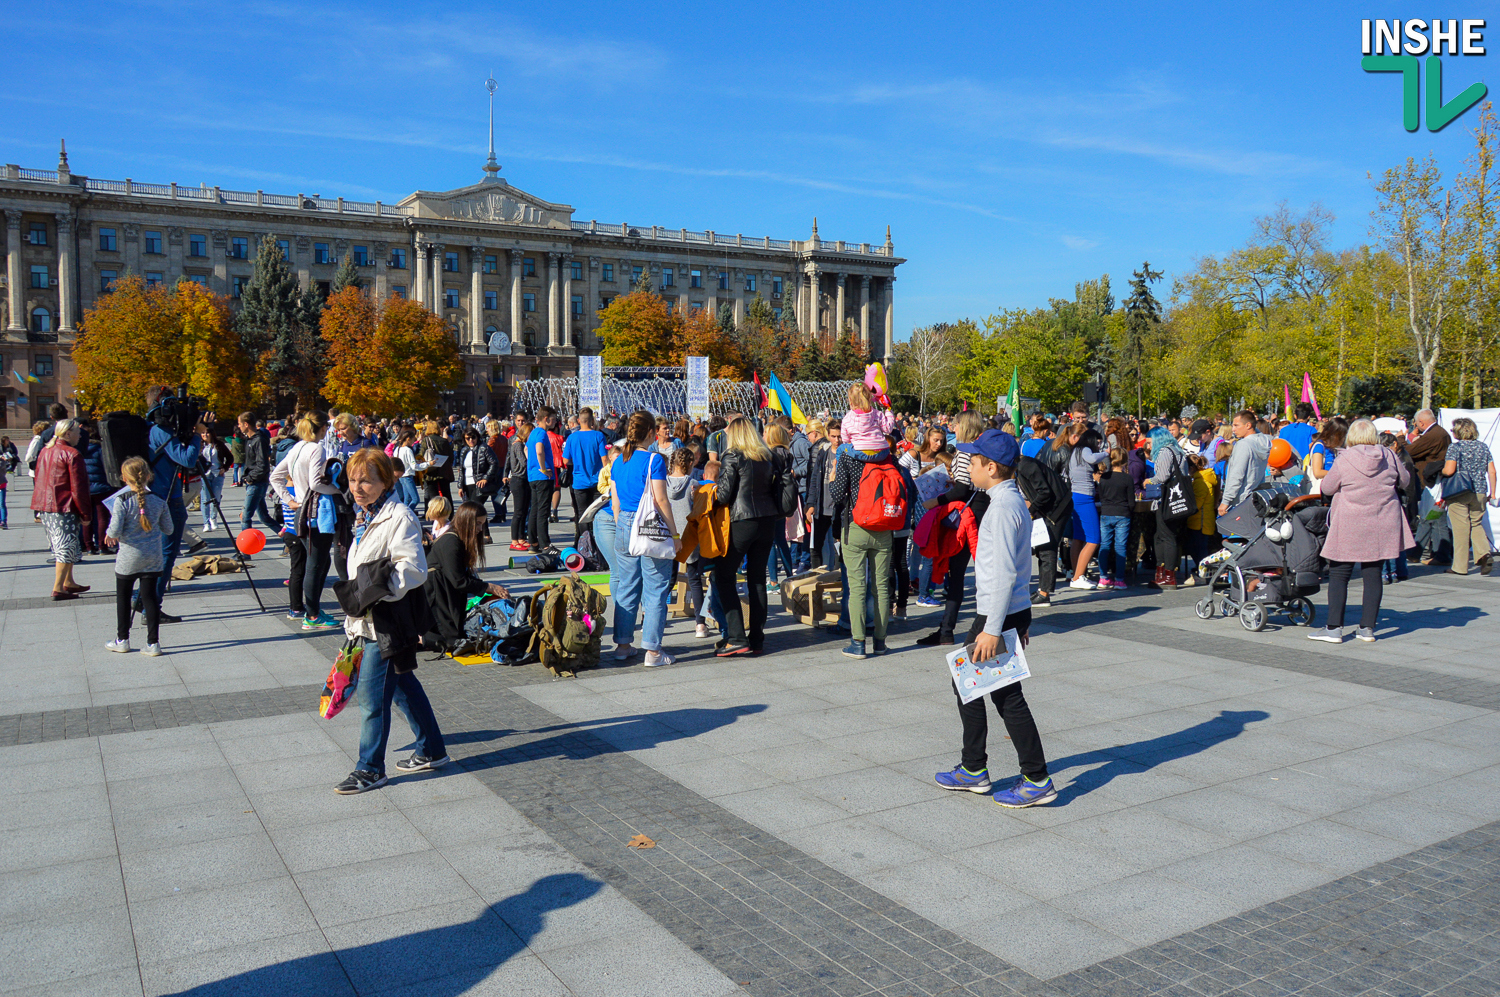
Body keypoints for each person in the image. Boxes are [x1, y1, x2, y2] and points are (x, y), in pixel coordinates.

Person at [932, 430, 1055, 807]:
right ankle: (974, 768)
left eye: (972, 460)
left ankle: (1033, 778)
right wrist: (1022, 619)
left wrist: (991, 628)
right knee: (969, 683)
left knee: (1005, 696)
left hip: (995, 614)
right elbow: (1020, 568)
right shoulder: (1009, 500)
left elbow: (1003, 574)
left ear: (991, 467)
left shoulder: (1002, 508)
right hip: (1008, 611)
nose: (967, 465)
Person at [336, 448, 449, 794]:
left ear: (385, 481)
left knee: (372, 699)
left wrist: (379, 593)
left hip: (385, 620)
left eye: (367, 481)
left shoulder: (398, 516)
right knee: (402, 687)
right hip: (369, 619)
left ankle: (370, 768)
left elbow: (413, 569)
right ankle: (432, 749)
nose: (358, 487)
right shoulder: (366, 515)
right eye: (354, 480)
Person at [1309, 420, 1413, 644]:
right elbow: (1405, 481)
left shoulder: (1344, 457)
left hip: (1349, 520)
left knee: (1339, 574)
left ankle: (1334, 629)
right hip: (1382, 519)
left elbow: (1327, 487)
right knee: (1373, 573)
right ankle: (1367, 628)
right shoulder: (1389, 455)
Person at [828, 426, 915, 658]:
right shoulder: (888, 456)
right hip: (884, 527)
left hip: (855, 526)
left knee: (857, 587)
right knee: (881, 587)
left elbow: (837, 495)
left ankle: (857, 644)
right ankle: (880, 642)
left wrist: (832, 477)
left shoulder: (847, 455)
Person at [713, 418, 791, 656]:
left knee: (723, 577)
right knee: (757, 579)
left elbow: (724, 494)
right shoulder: (766, 456)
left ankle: (736, 636)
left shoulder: (733, 455)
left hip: (742, 520)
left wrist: (709, 493)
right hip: (767, 521)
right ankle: (756, 638)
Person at [609, 411, 677, 667]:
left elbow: (614, 500)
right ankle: (653, 651)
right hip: (648, 526)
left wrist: (620, 523)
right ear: (650, 432)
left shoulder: (619, 460)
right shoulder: (653, 460)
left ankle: (623, 645)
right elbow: (660, 500)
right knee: (656, 588)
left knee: (627, 586)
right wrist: (674, 533)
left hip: (624, 523)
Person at [919, 411, 990, 645]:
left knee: (956, 574)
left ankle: (947, 630)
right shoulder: (983, 451)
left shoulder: (962, 453)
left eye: (955, 424)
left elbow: (961, 490)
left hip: (968, 518)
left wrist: (936, 501)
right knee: (986, 573)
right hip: (986, 512)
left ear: (963, 426)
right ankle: (982, 626)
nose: (953, 428)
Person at [269, 412, 341, 631]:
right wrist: (339, 490)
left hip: (302, 510)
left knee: (319, 562)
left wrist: (289, 499)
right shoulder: (315, 448)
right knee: (315, 564)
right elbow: (316, 483)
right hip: (314, 512)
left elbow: (275, 477)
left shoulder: (297, 447)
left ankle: (313, 610)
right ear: (321, 429)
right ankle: (311, 615)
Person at [104, 456, 172, 656]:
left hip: (128, 558)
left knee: (124, 598)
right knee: (150, 598)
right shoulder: (159, 500)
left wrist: (109, 534)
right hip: (153, 557)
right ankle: (153, 643)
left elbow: (115, 530)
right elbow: (169, 529)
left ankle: (122, 639)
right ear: (149, 476)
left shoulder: (121, 501)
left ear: (124, 479)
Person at [424, 501, 511, 650]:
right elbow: (458, 580)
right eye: (477, 524)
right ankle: (417, 638)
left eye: (482, 524)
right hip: (436, 593)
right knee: (454, 643)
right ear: (466, 521)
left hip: (444, 590)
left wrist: (487, 589)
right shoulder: (451, 541)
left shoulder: (456, 539)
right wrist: (488, 587)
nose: (479, 529)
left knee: (460, 637)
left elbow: (460, 578)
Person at [32, 419, 92, 601]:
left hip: (47, 505)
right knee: (65, 546)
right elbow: (78, 488)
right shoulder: (72, 454)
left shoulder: (46, 450)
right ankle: (58, 588)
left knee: (67, 545)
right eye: (77, 432)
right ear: (67, 434)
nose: (80, 435)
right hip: (63, 506)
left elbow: (38, 478)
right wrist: (85, 513)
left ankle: (68, 581)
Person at [1439, 417, 1496, 576]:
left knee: (1461, 529)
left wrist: (1440, 470)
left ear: (1457, 431)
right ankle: (1485, 553)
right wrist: (1493, 493)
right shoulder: (1483, 447)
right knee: (1476, 523)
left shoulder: (1455, 448)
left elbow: (1449, 470)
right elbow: (1492, 471)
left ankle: (1459, 567)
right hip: (1480, 491)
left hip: (1459, 491)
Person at [1062, 424, 1109, 591]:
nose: (1098, 446)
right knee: (1094, 538)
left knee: (1079, 538)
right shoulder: (1085, 451)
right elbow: (1092, 459)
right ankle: (1078, 577)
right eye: (1097, 443)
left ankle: (1077, 573)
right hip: (1084, 497)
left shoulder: (1075, 451)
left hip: (1076, 495)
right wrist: (1106, 453)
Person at [1146, 427, 1190, 590]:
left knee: (1166, 536)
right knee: (1162, 535)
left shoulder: (1165, 452)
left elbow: (1162, 476)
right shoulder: (1177, 451)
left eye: (1150, 443)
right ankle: (1162, 572)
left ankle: (1168, 576)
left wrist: (1149, 481)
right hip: (1176, 501)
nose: (1149, 447)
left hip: (1166, 501)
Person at [1407, 409, 1453, 565]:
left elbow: (1410, 451)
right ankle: (1437, 554)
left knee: (1430, 516)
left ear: (1421, 423)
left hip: (1434, 482)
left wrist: (1402, 439)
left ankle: (1419, 552)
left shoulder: (1433, 434)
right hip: (1435, 480)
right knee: (1435, 517)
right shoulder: (1439, 433)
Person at [562, 408, 607, 543]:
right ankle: (598, 544)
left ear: (578, 421)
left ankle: (584, 544)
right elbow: (604, 459)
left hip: (579, 482)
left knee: (582, 515)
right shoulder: (598, 436)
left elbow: (565, 461)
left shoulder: (572, 437)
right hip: (597, 482)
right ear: (592, 421)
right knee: (598, 514)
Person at [1380, 432, 1420, 583]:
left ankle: (1391, 572)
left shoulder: (1400, 459)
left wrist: (1408, 504)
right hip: (1399, 500)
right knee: (1396, 539)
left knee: (1391, 539)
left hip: (1399, 500)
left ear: (1394, 445)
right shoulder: (1400, 457)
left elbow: (1406, 483)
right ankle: (1398, 571)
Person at [1217, 410, 1272, 516]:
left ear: (1248, 425)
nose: (1233, 429)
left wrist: (1225, 501)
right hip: (1255, 498)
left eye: (1236, 425)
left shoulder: (1244, 445)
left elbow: (1237, 475)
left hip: (1240, 501)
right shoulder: (1264, 440)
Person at [806, 419, 842, 569]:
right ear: (827, 435)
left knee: (840, 547)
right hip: (822, 505)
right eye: (833, 436)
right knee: (816, 546)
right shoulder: (823, 452)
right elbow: (815, 479)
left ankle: (840, 581)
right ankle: (817, 580)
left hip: (839, 507)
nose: (837, 440)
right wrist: (810, 504)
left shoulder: (847, 453)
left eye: (839, 436)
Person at [1096, 448, 1132, 588]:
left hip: (1106, 512)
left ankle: (1103, 577)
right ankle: (1119, 579)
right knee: (1120, 547)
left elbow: (1102, 496)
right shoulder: (1127, 478)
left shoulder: (1104, 478)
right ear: (1124, 461)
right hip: (1122, 513)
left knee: (1104, 545)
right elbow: (1131, 502)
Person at [238, 412, 280, 534]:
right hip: (253, 481)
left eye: (240, 424)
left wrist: (251, 477)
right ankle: (288, 540)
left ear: (246, 424)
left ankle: (245, 551)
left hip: (257, 483)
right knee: (264, 517)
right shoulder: (250, 439)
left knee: (245, 517)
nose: (239, 426)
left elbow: (262, 464)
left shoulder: (259, 439)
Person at [527, 405, 557, 550]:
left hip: (533, 476)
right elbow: (539, 450)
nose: (555, 422)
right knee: (543, 511)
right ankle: (545, 544)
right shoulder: (541, 433)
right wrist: (543, 468)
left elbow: (527, 449)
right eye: (553, 419)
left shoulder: (532, 432)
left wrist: (533, 465)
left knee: (534, 509)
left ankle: (533, 542)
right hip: (543, 477)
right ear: (546, 419)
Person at [80, 421, 112, 555]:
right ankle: (102, 546)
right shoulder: (101, 451)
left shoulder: (80, 451)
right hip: (101, 487)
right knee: (102, 518)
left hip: (85, 488)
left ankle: (88, 546)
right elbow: (107, 468)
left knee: (87, 518)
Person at [506, 412, 533, 551]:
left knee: (523, 511)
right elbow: (524, 462)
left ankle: (521, 537)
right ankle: (514, 540)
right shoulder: (518, 445)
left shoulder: (522, 445)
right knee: (518, 512)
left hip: (525, 480)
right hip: (518, 479)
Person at [841, 382, 894, 454]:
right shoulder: (878, 414)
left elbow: (845, 439)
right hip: (880, 451)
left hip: (859, 452)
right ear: (870, 398)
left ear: (850, 400)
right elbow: (888, 429)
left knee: (840, 449)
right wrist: (888, 410)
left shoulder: (847, 418)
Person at [457, 427, 498, 508]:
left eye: (473, 437)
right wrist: (460, 486)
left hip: (479, 484)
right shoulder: (464, 450)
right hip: (467, 484)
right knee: (473, 510)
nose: (471, 440)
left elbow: (494, 463)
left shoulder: (484, 448)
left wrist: (485, 478)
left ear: (477, 437)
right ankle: (483, 520)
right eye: (468, 438)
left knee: (474, 508)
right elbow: (462, 470)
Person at [419, 419, 455, 507]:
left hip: (431, 471)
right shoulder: (444, 441)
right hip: (444, 471)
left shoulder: (426, 440)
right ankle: (449, 515)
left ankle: (434, 516)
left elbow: (421, 455)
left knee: (433, 496)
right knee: (446, 494)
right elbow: (451, 457)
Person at [198, 427, 226, 532]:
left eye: (207, 433)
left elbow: (230, 457)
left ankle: (213, 518)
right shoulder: (199, 445)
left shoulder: (219, 445)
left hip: (217, 474)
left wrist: (224, 467)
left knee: (216, 498)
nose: (205, 435)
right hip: (204, 474)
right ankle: (206, 523)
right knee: (205, 499)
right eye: (203, 433)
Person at [392, 429, 424, 514]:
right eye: (413, 439)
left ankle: (404, 513)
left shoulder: (397, 449)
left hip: (401, 476)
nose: (413, 442)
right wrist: (428, 464)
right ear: (408, 439)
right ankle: (406, 513)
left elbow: (404, 461)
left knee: (407, 499)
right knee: (415, 499)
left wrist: (415, 462)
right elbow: (414, 466)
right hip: (407, 476)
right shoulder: (407, 450)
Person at [1308, 417, 1346, 487]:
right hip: (1320, 488)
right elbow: (1317, 472)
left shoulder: (1333, 447)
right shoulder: (1319, 446)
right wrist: (1339, 474)